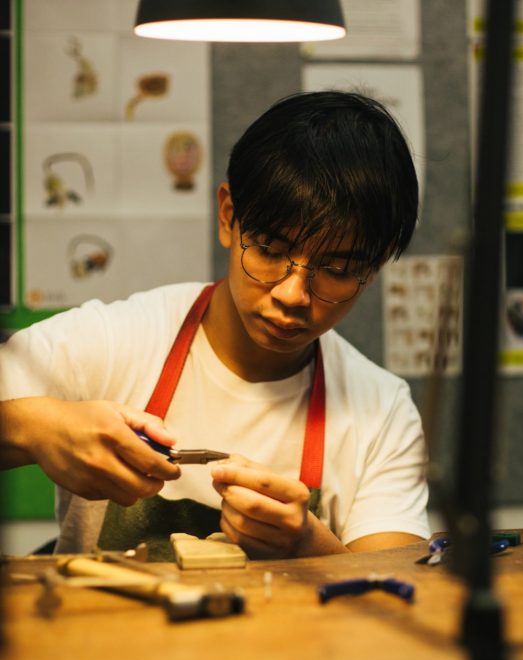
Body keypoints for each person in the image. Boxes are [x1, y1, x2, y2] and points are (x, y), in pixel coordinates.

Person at [0, 91, 430, 559]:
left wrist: (309, 543)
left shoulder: (382, 412)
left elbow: (399, 597)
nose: (292, 295)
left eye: (338, 269)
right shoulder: (113, 341)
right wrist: (37, 429)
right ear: (229, 217)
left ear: (376, 264)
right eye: (269, 249)